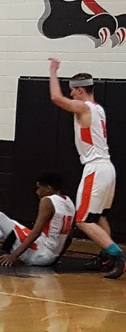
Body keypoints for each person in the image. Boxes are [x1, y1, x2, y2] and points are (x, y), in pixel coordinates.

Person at [49, 58, 125, 279]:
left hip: (95, 169)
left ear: (80, 90)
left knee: (82, 220)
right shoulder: (99, 109)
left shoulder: (83, 107)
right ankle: (105, 258)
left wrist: (53, 71)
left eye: (72, 91)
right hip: (107, 167)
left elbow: (55, 98)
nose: (71, 95)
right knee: (98, 216)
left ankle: (118, 256)